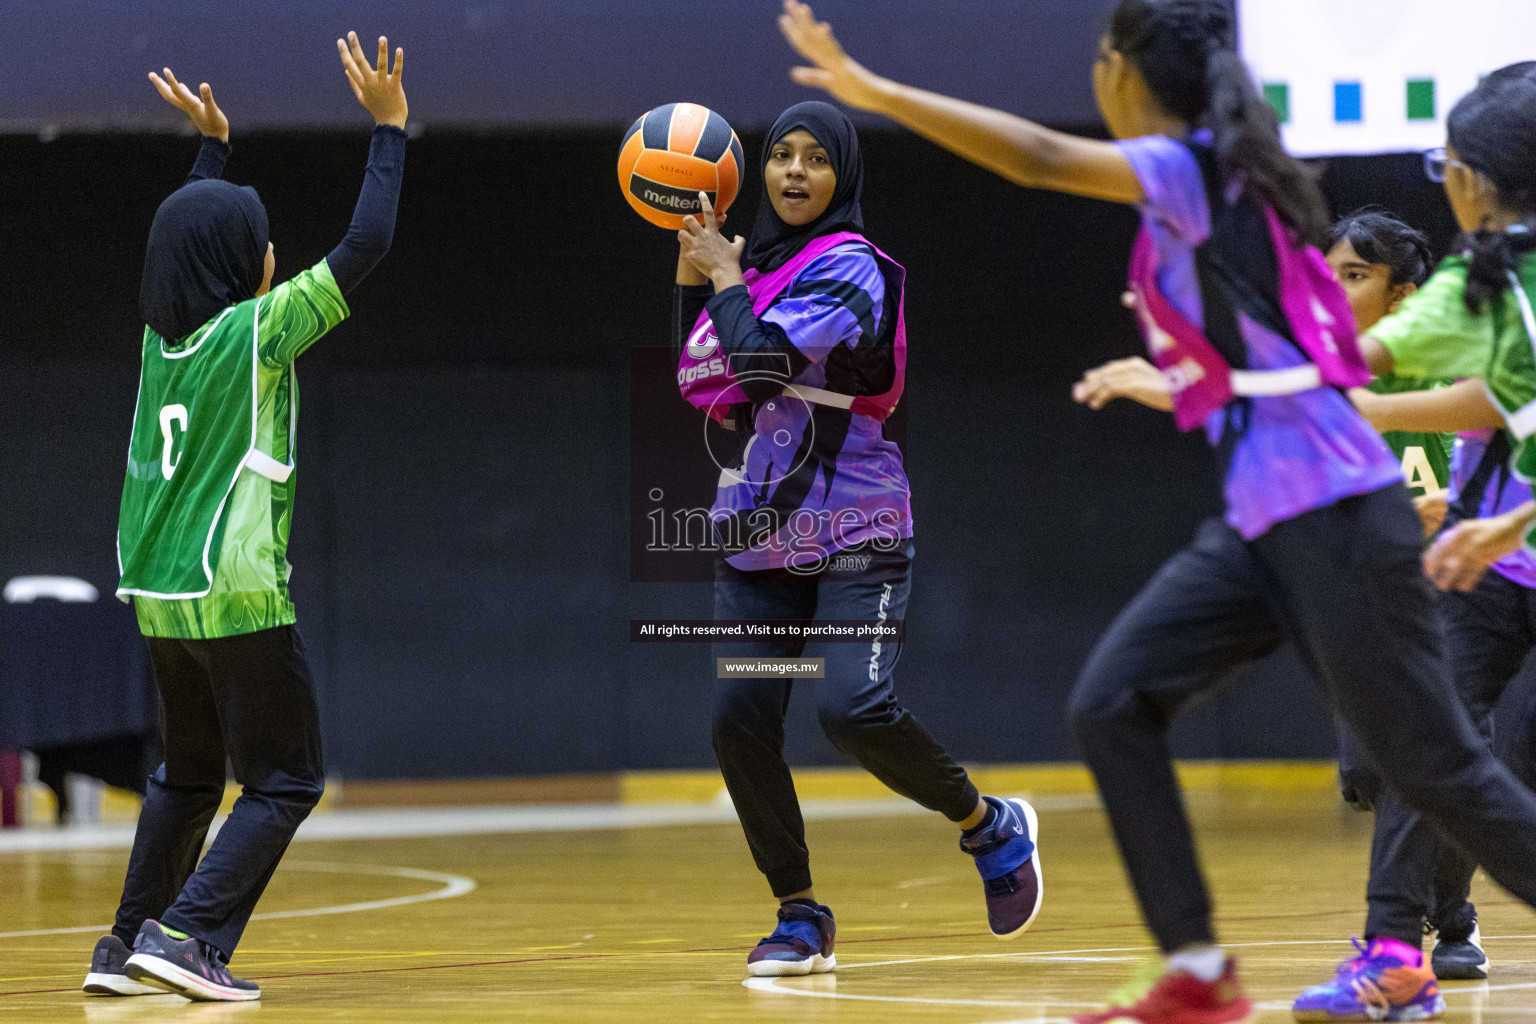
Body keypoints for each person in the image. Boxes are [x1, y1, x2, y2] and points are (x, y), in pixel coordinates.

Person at [779, 2, 1536, 1022]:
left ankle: (1379, 955)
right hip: (1266, 522)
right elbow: (1267, 348)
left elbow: (1043, 157)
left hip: (1338, 513)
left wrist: (877, 95)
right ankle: (1195, 968)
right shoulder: (1220, 187)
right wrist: (1183, 372)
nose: (1095, 76)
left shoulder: (1194, 166)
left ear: (1129, 75)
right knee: (1114, 700)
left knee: (1441, 774)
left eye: (1100, 56)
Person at [672, 100, 1042, 978]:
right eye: (782, 156)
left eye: (816, 160)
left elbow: (759, 369)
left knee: (850, 708)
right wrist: (697, 274)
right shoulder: (751, 267)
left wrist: (720, 284)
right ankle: (799, 915)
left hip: (856, 527)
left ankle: (989, 825)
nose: (795, 172)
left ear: (843, 177)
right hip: (758, 532)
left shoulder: (856, 268)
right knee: (739, 721)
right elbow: (698, 377)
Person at [83, 33, 408, 1003]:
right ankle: (186, 936)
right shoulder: (262, 330)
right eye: (257, 237)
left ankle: (123, 946)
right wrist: (390, 131)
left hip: (156, 586)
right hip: (234, 586)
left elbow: (180, 238)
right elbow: (367, 246)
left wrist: (213, 150)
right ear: (241, 262)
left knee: (188, 774)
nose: (272, 250)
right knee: (287, 777)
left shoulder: (156, 344)